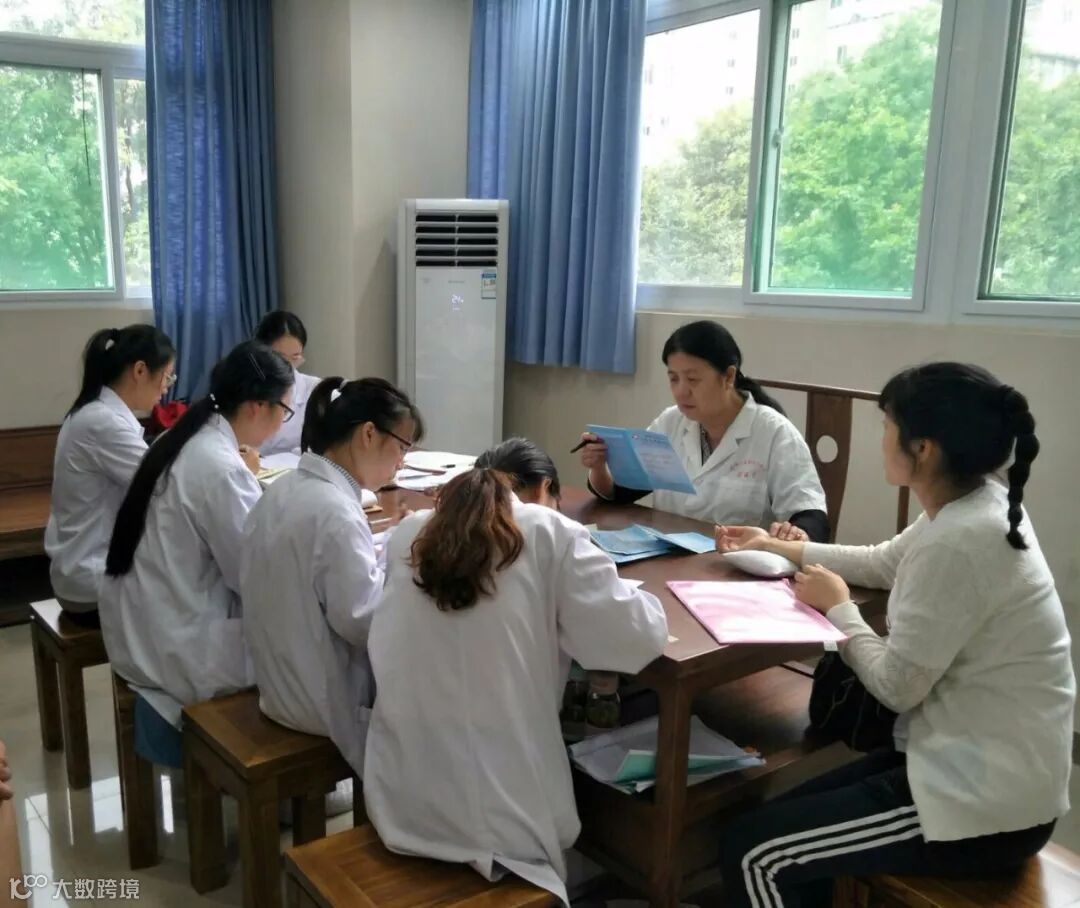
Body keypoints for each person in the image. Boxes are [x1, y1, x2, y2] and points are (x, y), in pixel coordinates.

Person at [715, 363, 1074, 907]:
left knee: (754, 853)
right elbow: (883, 562)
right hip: (959, 763)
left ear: (923, 448)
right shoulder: (976, 505)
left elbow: (897, 687)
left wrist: (839, 609)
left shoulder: (960, 540)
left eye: (887, 426)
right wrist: (776, 546)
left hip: (981, 805)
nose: (881, 438)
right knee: (766, 824)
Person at [363, 437, 669, 905]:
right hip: (499, 827)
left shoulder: (411, 532)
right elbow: (638, 638)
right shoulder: (549, 531)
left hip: (401, 798)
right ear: (546, 490)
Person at [100, 341, 295, 734]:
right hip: (179, 650)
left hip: (142, 631)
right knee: (313, 644)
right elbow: (251, 577)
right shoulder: (221, 468)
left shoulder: (180, 439)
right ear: (257, 406)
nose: (283, 424)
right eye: (285, 411)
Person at [240, 377, 422, 775]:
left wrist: (388, 551)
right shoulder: (335, 511)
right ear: (369, 434)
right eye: (403, 447)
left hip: (278, 685)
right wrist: (406, 560)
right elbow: (362, 623)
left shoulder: (286, 489)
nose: (402, 462)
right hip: (317, 703)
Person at [581, 320, 829, 542]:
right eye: (674, 379)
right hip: (670, 558)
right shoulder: (670, 423)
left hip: (736, 564)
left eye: (693, 379)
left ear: (728, 376)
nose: (681, 391)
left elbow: (811, 516)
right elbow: (624, 492)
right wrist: (599, 467)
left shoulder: (774, 433)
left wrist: (795, 534)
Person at [45, 325, 176, 617]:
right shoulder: (102, 422)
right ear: (140, 370)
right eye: (167, 376)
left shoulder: (96, 412)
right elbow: (165, 484)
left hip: (82, 570)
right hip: (92, 581)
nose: (167, 388)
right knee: (201, 594)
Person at [255, 311, 320, 456]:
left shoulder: (313, 389)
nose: (287, 365)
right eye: (280, 357)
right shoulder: (244, 387)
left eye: (295, 357)